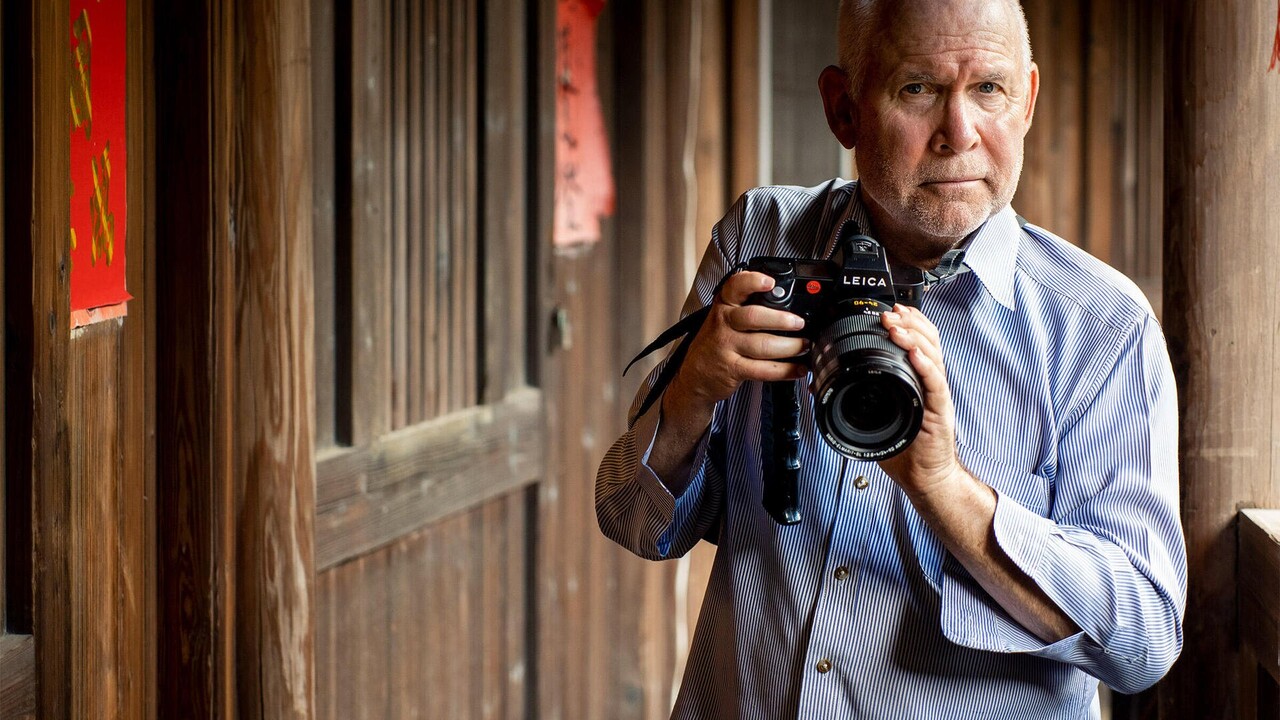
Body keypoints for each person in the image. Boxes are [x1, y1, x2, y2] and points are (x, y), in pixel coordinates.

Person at [595, 0, 1186, 717]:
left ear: (1027, 100)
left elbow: (1143, 644)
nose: (959, 133)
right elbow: (631, 519)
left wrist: (943, 487)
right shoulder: (763, 239)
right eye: (918, 89)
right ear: (843, 109)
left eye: (988, 89)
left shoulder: (1101, 324)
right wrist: (693, 389)